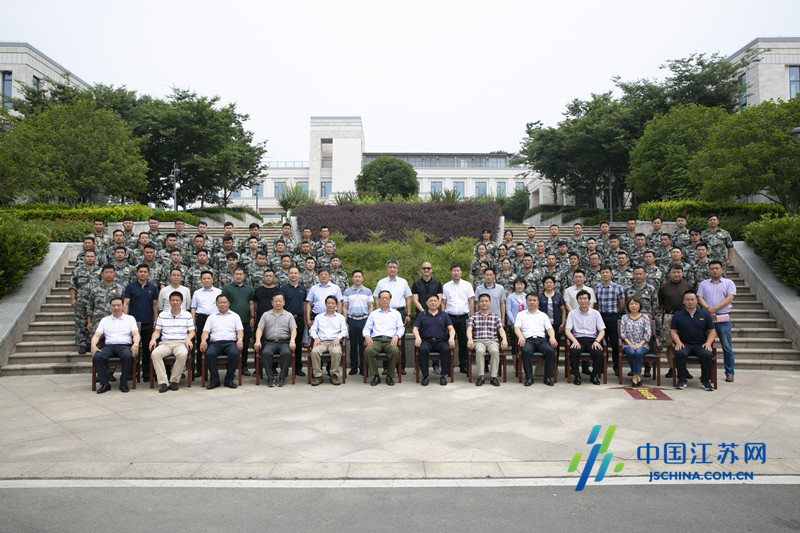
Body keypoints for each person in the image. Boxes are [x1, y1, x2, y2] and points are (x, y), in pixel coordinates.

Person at [697, 260, 737, 382]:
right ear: (709, 270)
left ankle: (729, 372)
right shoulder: (704, 284)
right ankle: (706, 372)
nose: (714, 271)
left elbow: (729, 298)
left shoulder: (729, 283)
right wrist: (708, 309)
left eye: (717, 268)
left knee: (726, 346)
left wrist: (714, 309)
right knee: (705, 346)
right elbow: (700, 298)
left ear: (722, 270)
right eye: (712, 269)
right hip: (707, 318)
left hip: (723, 318)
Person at [90, 297, 140, 394]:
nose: (116, 308)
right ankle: (105, 384)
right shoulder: (105, 320)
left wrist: (136, 344)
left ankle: (123, 383)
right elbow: (97, 335)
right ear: (110, 307)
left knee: (128, 356)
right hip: (109, 346)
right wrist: (93, 345)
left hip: (124, 346)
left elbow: (135, 334)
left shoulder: (130, 319)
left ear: (123, 306)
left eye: (118, 305)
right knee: (97, 357)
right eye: (113, 305)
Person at [149, 291, 195, 393]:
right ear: (169, 302)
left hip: (181, 343)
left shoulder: (187, 315)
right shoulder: (163, 315)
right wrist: (153, 339)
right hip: (165, 343)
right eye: (173, 300)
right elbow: (157, 332)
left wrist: (188, 339)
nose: (175, 302)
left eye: (177, 300)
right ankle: (163, 382)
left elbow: (192, 331)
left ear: (181, 302)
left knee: (182, 354)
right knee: (155, 354)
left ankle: (174, 380)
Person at [670, 290, 716, 391]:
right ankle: (682, 380)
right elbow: (673, 331)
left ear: (696, 301)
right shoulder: (678, 315)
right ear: (683, 301)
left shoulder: (705, 314)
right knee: (680, 353)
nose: (690, 302)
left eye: (692, 300)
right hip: (684, 343)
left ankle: (706, 381)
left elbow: (712, 331)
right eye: (687, 300)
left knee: (707, 354)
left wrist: (708, 343)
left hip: (701, 344)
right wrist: (678, 342)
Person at [372, 260, 412, 372]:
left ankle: (401, 367)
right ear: (386, 269)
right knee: (386, 337)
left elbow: (408, 299)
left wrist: (408, 314)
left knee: (400, 340)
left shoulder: (403, 282)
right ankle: (386, 368)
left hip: (400, 312)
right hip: (385, 312)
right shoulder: (381, 283)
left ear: (397, 269)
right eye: (390, 267)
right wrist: (378, 311)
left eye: (394, 267)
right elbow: (376, 298)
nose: (392, 269)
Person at [123, 264, 159, 382]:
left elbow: (155, 305)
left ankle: (147, 373)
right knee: (132, 347)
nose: (143, 274)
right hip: (133, 322)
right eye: (140, 272)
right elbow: (126, 303)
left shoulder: (152, 288)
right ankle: (131, 372)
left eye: (145, 272)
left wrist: (155, 319)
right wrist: (125, 318)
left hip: (148, 321)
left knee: (147, 349)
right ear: (137, 273)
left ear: (148, 274)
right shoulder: (130, 287)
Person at [657, 264, 694, 379]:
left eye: (678, 272)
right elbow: (661, 304)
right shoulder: (664, 288)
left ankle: (683, 369)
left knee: (685, 343)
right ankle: (672, 368)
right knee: (669, 344)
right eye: (674, 272)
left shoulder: (688, 287)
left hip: (685, 316)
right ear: (670, 274)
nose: (676, 274)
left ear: (682, 273)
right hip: (669, 316)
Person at [514, 293, 558, 386]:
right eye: (530, 300)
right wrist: (520, 337)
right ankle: (529, 378)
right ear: (526, 302)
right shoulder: (521, 314)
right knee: (526, 351)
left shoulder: (543, 315)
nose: (532, 302)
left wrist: (552, 337)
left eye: (534, 300)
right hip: (528, 340)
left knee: (550, 351)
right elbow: (516, 328)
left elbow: (550, 329)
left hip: (541, 340)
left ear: (538, 302)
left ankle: (548, 377)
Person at [200, 294, 243, 389]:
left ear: (229, 303)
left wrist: (240, 340)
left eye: (224, 302)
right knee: (210, 354)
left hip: (230, 342)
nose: (222, 304)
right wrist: (203, 341)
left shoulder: (235, 316)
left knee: (234, 353)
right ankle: (215, 380)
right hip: (215, 343)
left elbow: (240, 331)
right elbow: (205, 331)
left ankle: (229, 380)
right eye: (220, 303)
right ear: (216, 304)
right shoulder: (211, 317)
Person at [254, 293, 297, 387]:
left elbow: (293, 329)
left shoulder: (289, 315)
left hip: (284, 342)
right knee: (265, 353)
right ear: (272, 303)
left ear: (284, 303)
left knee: (286, 353)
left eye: (280, 301)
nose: (278, 303)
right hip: (270, 342)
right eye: (276, 301)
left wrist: (292, 341)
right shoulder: (266, 315)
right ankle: (270, 377)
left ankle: (282, 377)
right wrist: (257, 340)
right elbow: (259, 329)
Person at [363, 291, 404, 386]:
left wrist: (397, 336)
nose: (384, 300)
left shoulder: (396, 313)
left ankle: (390, 376)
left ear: (390, 300)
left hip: (390, 340)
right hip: (376, 340)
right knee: (368, 351)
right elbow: (367, 328)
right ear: (379, 300)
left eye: (387, 298)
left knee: (395, 351)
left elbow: (401, 328)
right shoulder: (373, 314)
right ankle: (375, 375)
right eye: (382, 298)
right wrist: (367, 336)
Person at [565, 290, 606, 385]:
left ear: (589, 300)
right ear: (577, 301)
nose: (583, 301)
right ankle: (577, 376)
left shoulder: (596, 313)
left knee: (598, 352)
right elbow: (567, 330)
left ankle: (594, 376)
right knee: (574, 351)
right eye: (580, 299)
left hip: (592, 340)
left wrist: (597, 341)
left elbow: (602, 330)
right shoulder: (572, 313)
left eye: (585, 299)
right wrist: (574, 341)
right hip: (578, 339)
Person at [413, 294, 455, 386]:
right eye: (431, 301)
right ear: (426, 303)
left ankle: (443, 375)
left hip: (440, 341)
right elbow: (415, 328)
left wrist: (451, 337)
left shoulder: (444, 315)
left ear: (438, 302)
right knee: (422, 350)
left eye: (435, 301)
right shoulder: (422, 315)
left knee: (446, 349)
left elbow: (451, 328)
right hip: (426, 341)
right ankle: (425, 376)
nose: (433, 303)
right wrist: (417, 337)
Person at [467, 294, 508, 386]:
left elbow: (501, 330)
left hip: (492, 341)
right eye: (482, 301)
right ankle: (481, 376)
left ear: (490, 303)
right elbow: (469, 329)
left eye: (486, 301)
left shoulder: (495, 316)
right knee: (480, 351)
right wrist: (470, 339)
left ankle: (493, 377)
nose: (484, 303)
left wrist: (504, 339)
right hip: (478, 341)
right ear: (479, 303)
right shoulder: (473, 316)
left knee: (495, 351)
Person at [221, 266, 255, 376]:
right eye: (236, 274)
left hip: (245, 320)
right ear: (233, 275)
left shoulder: (248, 289)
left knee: (245, 345)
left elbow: (251, 303)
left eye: (241, 274)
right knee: (230, 344)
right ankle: (231, 368)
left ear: (244, 276)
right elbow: (223, 303)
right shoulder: (227, 288)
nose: (238, 276)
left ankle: (243, 366)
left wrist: (252, 317)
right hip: (230, 321)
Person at [442, 264, 474, 374]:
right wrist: (443, 316)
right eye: (454, 271)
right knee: (448, 341)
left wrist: (470, 316)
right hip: (449, 317)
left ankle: (463, 365)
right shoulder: (446, 286)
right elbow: (443, 302)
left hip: (463, 317)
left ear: (461, 272)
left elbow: (471, 301)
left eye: (458, 271)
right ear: (451, 272)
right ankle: (448, 366)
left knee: (463, 342)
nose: (456, 273)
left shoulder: (467, 285)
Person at [594, 266, 625, 376]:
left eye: (607, 272)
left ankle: (617, 367)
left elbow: (622, 304)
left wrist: (616, 313)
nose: (605, 274)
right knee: (602, 342)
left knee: (615, 343)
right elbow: (595, 304)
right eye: (603, 273)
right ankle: (602, 366)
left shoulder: (618, 287)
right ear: (600, 275)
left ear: (611, 274)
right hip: (601, 317)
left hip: (613, 317)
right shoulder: (597, 288)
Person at [190, 271, 222, 379]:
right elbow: (193, 308)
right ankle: (200, 368)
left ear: (212, 280)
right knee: (201, 342)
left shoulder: (218, 292)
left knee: (214, 342)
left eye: (208, 278)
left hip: (215, 319)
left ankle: (213, 368)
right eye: (204, 278)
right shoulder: (197, 293)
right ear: (201, 280)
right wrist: (193, 322)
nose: (206, 280)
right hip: (201, 318)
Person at [343, 270, 373, 376]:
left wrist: (370, 320)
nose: (357, 279)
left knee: (363, 345)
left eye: (359, 277)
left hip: (364, 320)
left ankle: (363, 368)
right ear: (352, 279)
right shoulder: (347, 292)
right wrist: (345, 321)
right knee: (353, 345)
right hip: (351, 320)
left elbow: (370, 306)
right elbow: (345, 307)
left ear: (362, 278)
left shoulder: (368, 291)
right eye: (355, 277)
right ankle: (353, 367)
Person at [71, 249, 100, 354]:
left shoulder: (100, 270)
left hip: (95, 301)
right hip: (81, 300)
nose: (90, 258)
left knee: (93, 322)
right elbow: (72, 285)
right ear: (84, 258)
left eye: (92, 256)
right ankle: (82, 344)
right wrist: (73, 298)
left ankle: (90, 343)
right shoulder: (77, 270)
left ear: (95, 258)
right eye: (88, 256)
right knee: (80, 322)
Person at [280, 266, 308, 377]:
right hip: (286, 319)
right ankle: (285, 368)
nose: (293, 275)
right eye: (291, 273)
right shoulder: (283, 289)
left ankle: (297, 368)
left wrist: (305, 318)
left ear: (299, 275)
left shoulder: (303, 288)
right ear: (288, 275)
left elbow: (305, 304)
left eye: (295, 273)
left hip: (299, 319)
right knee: (286, 343)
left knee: (298, 344)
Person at [619, 296, 652, 388]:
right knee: (630, 352)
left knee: (638, 353)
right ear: (628, 306)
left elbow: (648, 333)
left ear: (640, 305)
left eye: (636, 304)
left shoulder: (645, 317)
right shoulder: (624, 317)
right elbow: (622, 333)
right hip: (628, 344)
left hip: (642, 344)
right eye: (631, 304)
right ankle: (637, 376)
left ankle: (635, 375)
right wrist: (630, 344)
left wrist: (639, 345)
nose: (634, 306)